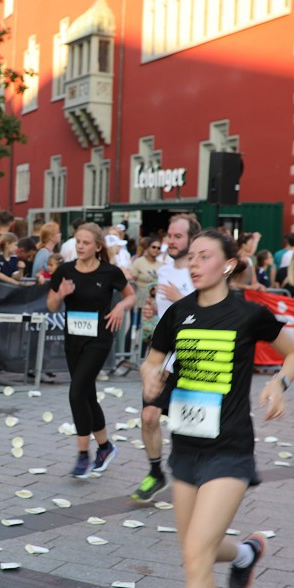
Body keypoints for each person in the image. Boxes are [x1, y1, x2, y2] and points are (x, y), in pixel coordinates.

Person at [140, 228, 294, 588]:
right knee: (200, 550)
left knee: (195, 559)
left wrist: (278, 384)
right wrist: (150, 379)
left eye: (204, 256)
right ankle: (247, 552)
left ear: (228, 264)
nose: (193, 263)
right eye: (190, 256)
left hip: (230, 449)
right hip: (187, 448)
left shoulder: (248, 313)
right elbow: (152, 360)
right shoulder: (178, 313)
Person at [46, 223, 135, 479]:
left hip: (99, 340)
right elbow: (51, 306)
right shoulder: (65, 271)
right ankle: (105, 448)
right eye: (78, 241)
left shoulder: (110, 272)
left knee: (76, 393)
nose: (80, 246)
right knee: (87, 396)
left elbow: (130, 296)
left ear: (98, 247)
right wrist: (60, 294)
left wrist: (120, 308)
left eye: (86, 243)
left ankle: (83, 456)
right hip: (73, 340)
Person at [133, 213, 200, 503]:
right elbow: (164, 315)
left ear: (191, 240)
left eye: (177, 237)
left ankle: (198, 477)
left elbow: (209, 315)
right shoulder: (163, 271)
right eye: (168, 237)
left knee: (188, 427)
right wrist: (152, 314)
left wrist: (179, 300)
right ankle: (155, 473)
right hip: (163, 359)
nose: (170, 242)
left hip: (194, 360)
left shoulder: (201, 272)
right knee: (149, 416)